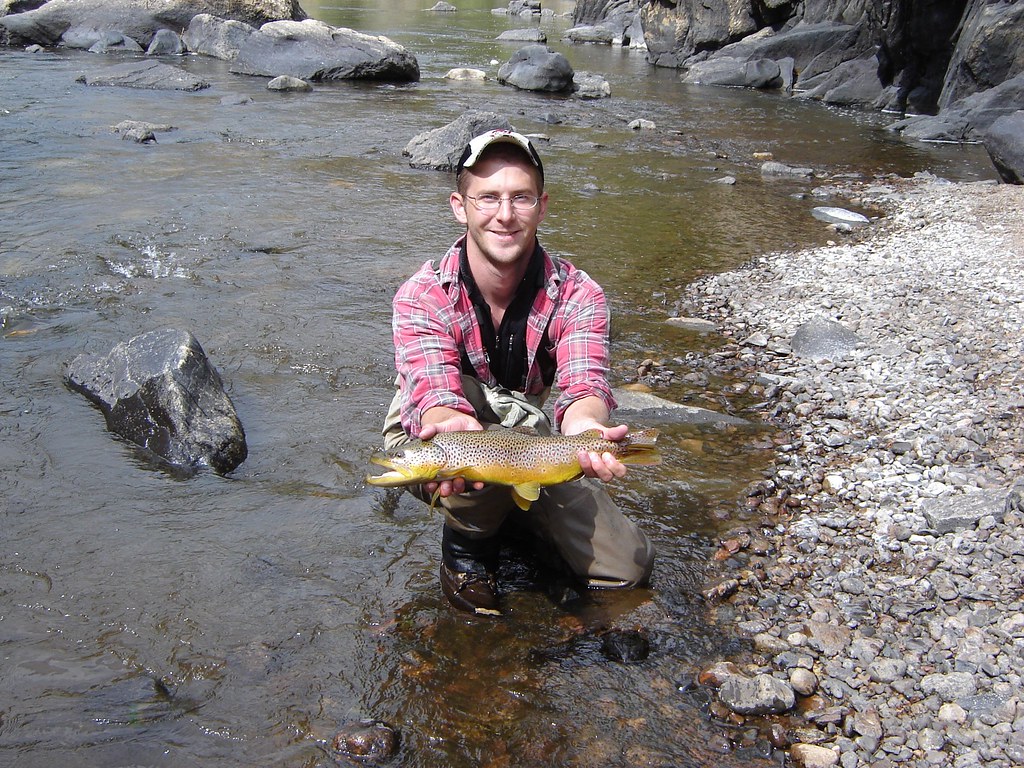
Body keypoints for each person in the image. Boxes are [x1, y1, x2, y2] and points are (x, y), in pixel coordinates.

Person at [382, 129, 655, 616]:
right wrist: (448, 423)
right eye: (487, 197)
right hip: (436, 427)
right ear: (459, 206)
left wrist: (589, 430)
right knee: (457, 462)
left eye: (520, 197)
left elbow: (584, 387)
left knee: (626, 570)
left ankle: (515, 513)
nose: (504, 215)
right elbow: (435, 390)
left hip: (530, 439)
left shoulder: (579, 294)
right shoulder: (422, 293)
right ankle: (467, 549)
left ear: (542, 206)